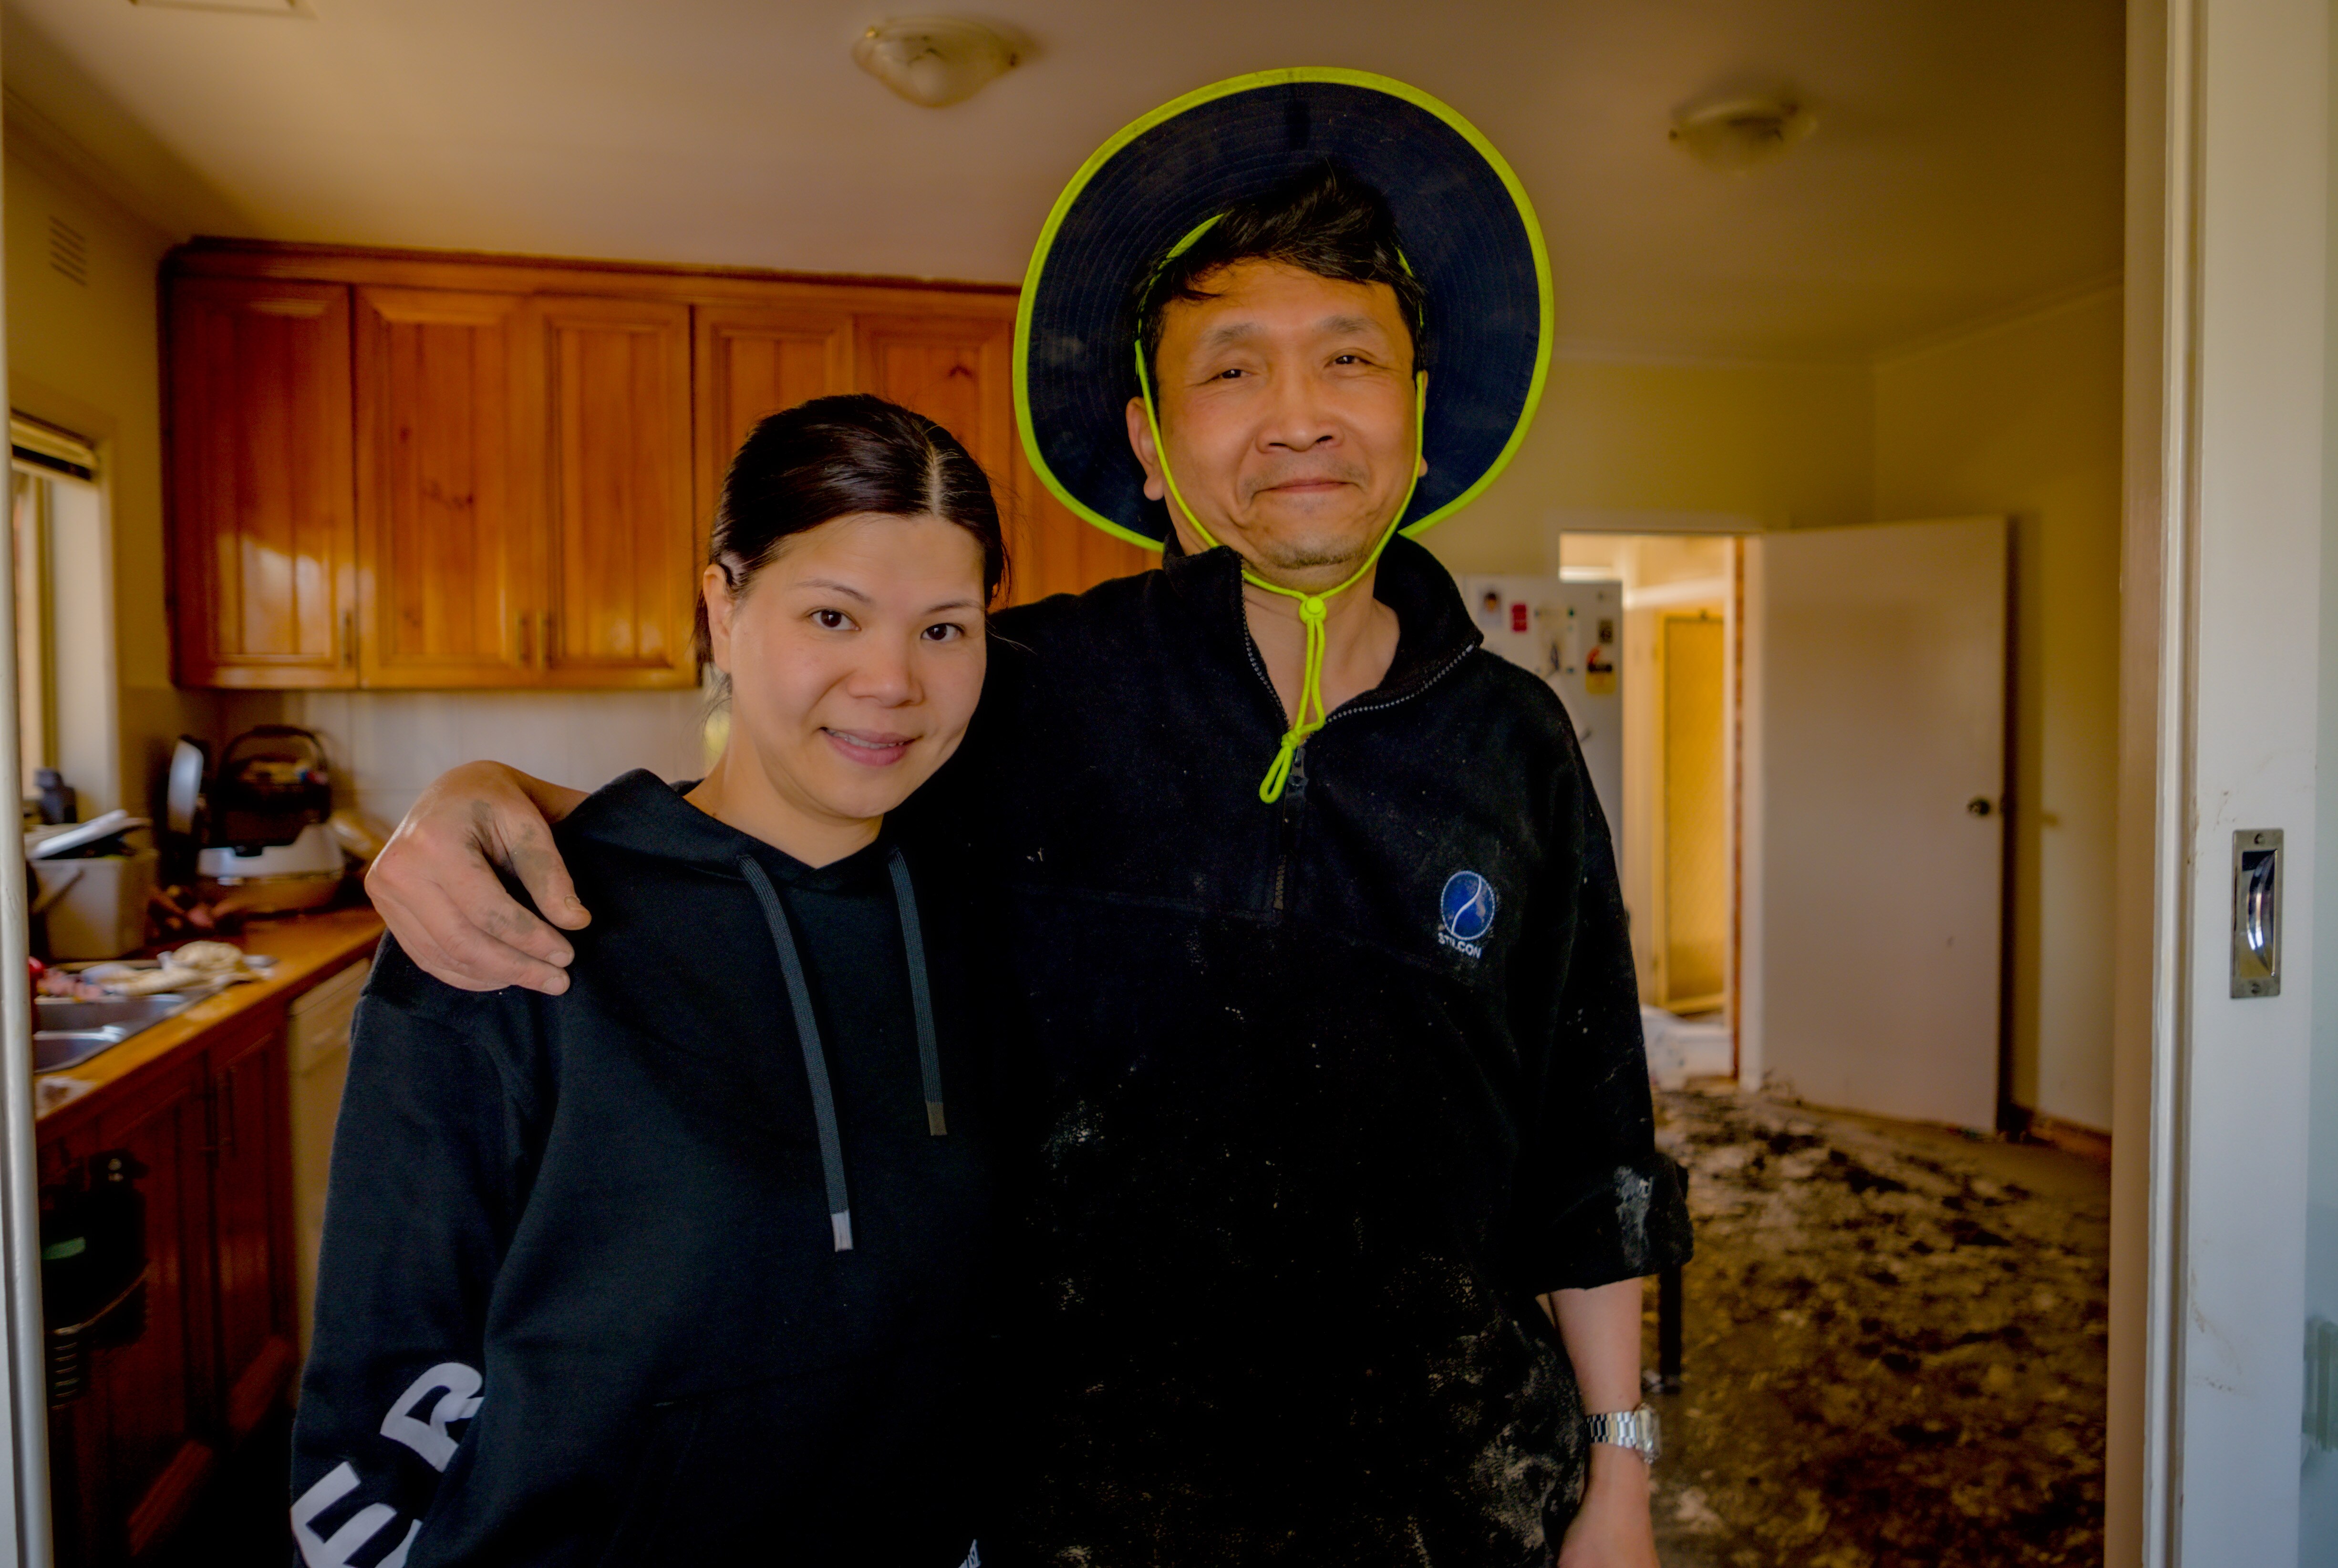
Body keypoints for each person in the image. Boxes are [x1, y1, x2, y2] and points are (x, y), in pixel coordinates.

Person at [364, 72, 1691, 1568]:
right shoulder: (1020, 691)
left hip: (1459, 1509)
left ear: (1420, 411)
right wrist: (496, 803)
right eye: (1233, 371)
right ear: (1146, 439)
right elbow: (772, 823)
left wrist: (1619, 1481)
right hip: (1076, 1518)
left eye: (1350, 358)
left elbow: (1593, 1153)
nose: (1302, 418)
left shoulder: (1518, 740)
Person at [291, 396, 1004, 1568]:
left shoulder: (988, 927)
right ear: (722, 605)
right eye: (832, 615)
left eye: (944, 630)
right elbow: (375, 1414)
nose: (892, 682)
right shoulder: (511, 920)